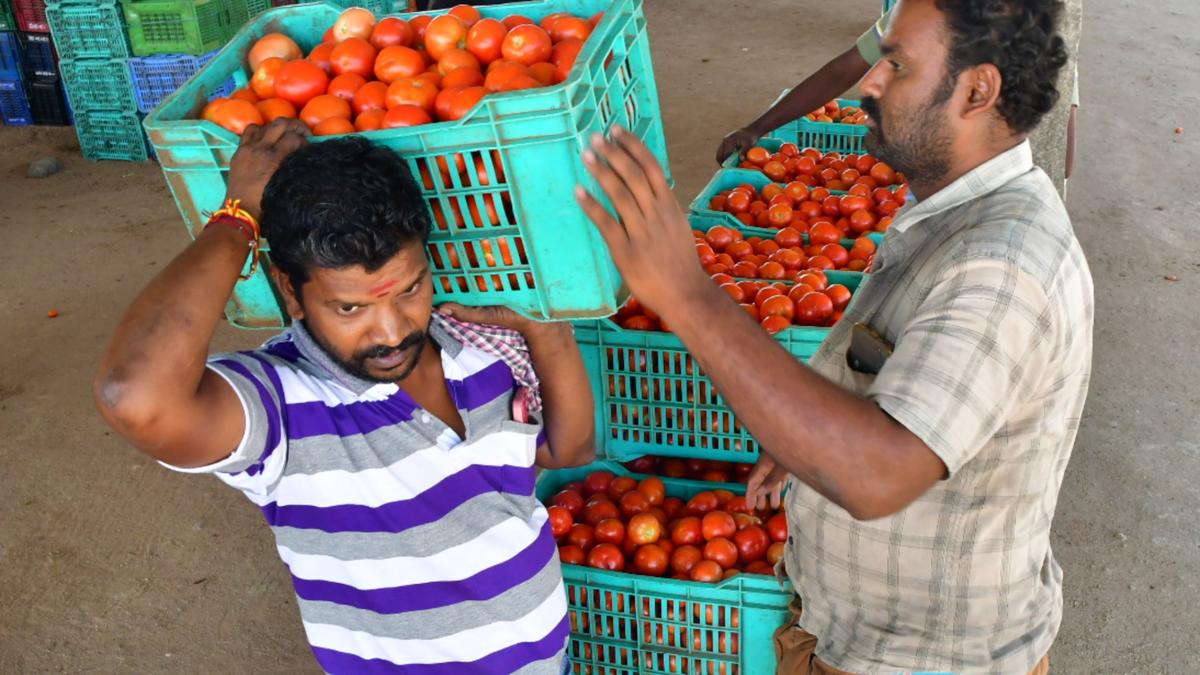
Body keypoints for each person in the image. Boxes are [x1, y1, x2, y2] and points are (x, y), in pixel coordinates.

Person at [576, 0, 1092, 672]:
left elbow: (878, 473)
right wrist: (803, 442)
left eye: (897, 65)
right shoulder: (945, 209)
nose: (869, 83)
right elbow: (891, 373)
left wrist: (688, 296)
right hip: (856, 633)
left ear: (977, 90)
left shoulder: (1002, 265)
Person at [93, 120, 595, 674]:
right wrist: (239, 215)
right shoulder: (283, 407)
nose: (391, 332)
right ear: (291, 289)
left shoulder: (477, 344)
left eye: (410, 290)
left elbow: (566, 453)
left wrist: (546, 331)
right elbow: (132, 395)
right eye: (350, 308)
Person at [717, 0, 1083, 198]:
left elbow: (1061, 152)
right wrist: (758, 127)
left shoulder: (1035, 38)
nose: (871, 85)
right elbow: (846, 68)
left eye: (897, 66)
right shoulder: (924, 14)